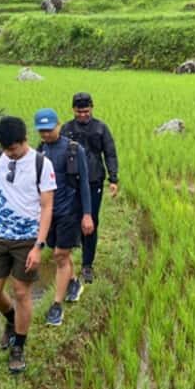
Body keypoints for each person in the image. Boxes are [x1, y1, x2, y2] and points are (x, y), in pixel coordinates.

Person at [0, 116, 56, 373]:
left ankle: (19, 346)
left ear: (25, 140)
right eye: (5, 149)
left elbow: (47, 207)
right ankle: (12, 319)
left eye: (14, 149)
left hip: (27, 239)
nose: (10, 154)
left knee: (21, 292)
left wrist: (38, 246)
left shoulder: (41, 164)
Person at [34, 108, 94, 326]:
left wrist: (87, 214)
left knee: (59, 255)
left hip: (70, 210)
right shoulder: (39, 151)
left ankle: (56, 306)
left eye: (49, 129)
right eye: (42, 131)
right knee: (61, 252)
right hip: (49, 213)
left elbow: (84, 183)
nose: (46, 134)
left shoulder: (73, 149)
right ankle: (74, 282)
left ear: (58, 125)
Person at [60, 92, 119, 283]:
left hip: (94, 181)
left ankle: (87, 265)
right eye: (79, 112)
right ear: (73, 110)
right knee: (69, 220)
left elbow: (110, 154)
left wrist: (113, 179)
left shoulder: (101, 128)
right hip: (71, 183)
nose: (83, 115)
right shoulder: (66, 129)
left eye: (86, 111)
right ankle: (67, 265)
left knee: (90, 222)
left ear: (92, 108)